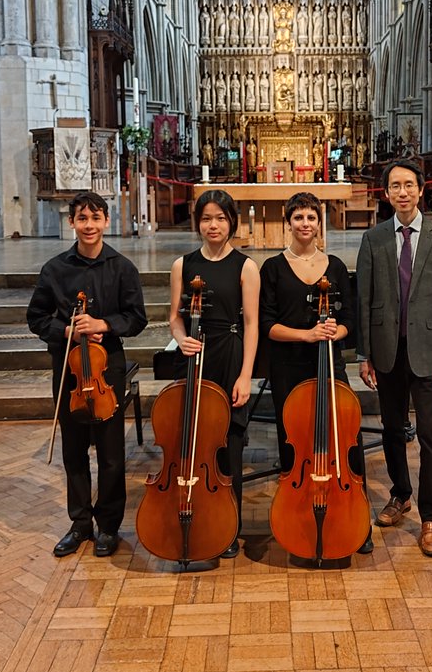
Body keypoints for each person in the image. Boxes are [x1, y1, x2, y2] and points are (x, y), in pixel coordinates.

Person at [27, 191, 147, 558]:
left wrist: (104, 324)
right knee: (74, 452)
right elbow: (37, 318)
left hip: (106, 371)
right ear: (72, 223)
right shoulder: (55, 269)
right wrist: (68, 331)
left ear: (106, 222)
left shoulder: (123, 268)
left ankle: (108, 526)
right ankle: (80, 523)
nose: (89, 225)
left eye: (96, 218)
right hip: (69, 371)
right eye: (82, 218)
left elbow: (136, 319)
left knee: (111, 455)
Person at [356, 158, 432, 557]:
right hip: (386, 352)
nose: (402, 192)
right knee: (392, 429)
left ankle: (431, 517)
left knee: (431, 434)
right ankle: (401, 494)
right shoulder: (374, 239)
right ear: (386, 193)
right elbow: (365, 301)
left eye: (409, 185)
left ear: (421, 190)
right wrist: (365, 354)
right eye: (395, 186)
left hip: (429, 354)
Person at [259, 192, 373, 556]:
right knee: (294, 440)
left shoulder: (335, 266)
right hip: (288, 363)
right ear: (287, 223)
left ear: (318, 222)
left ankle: (356, 520)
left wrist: (332, 333)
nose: (305, 224)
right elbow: (266, 325)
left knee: (343, 437)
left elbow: (349, 322)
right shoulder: (273, 268)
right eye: (298, 218)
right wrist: (306, 334)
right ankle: (295, 518)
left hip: (328, 361)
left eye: (311, 217)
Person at [169, 189, 259, 558]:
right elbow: (174, 317)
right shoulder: (183, 265)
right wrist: (181, 338)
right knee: (193, 438)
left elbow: (252, 324)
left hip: (229, 353)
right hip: (195, 356)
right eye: (206, 218)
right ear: (198, 223)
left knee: (229, 443)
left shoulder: (245, 266)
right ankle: (196, 512)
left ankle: (229, 525)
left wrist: (245, 376)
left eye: (221, 218)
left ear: (232, 222)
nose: (213, 225)